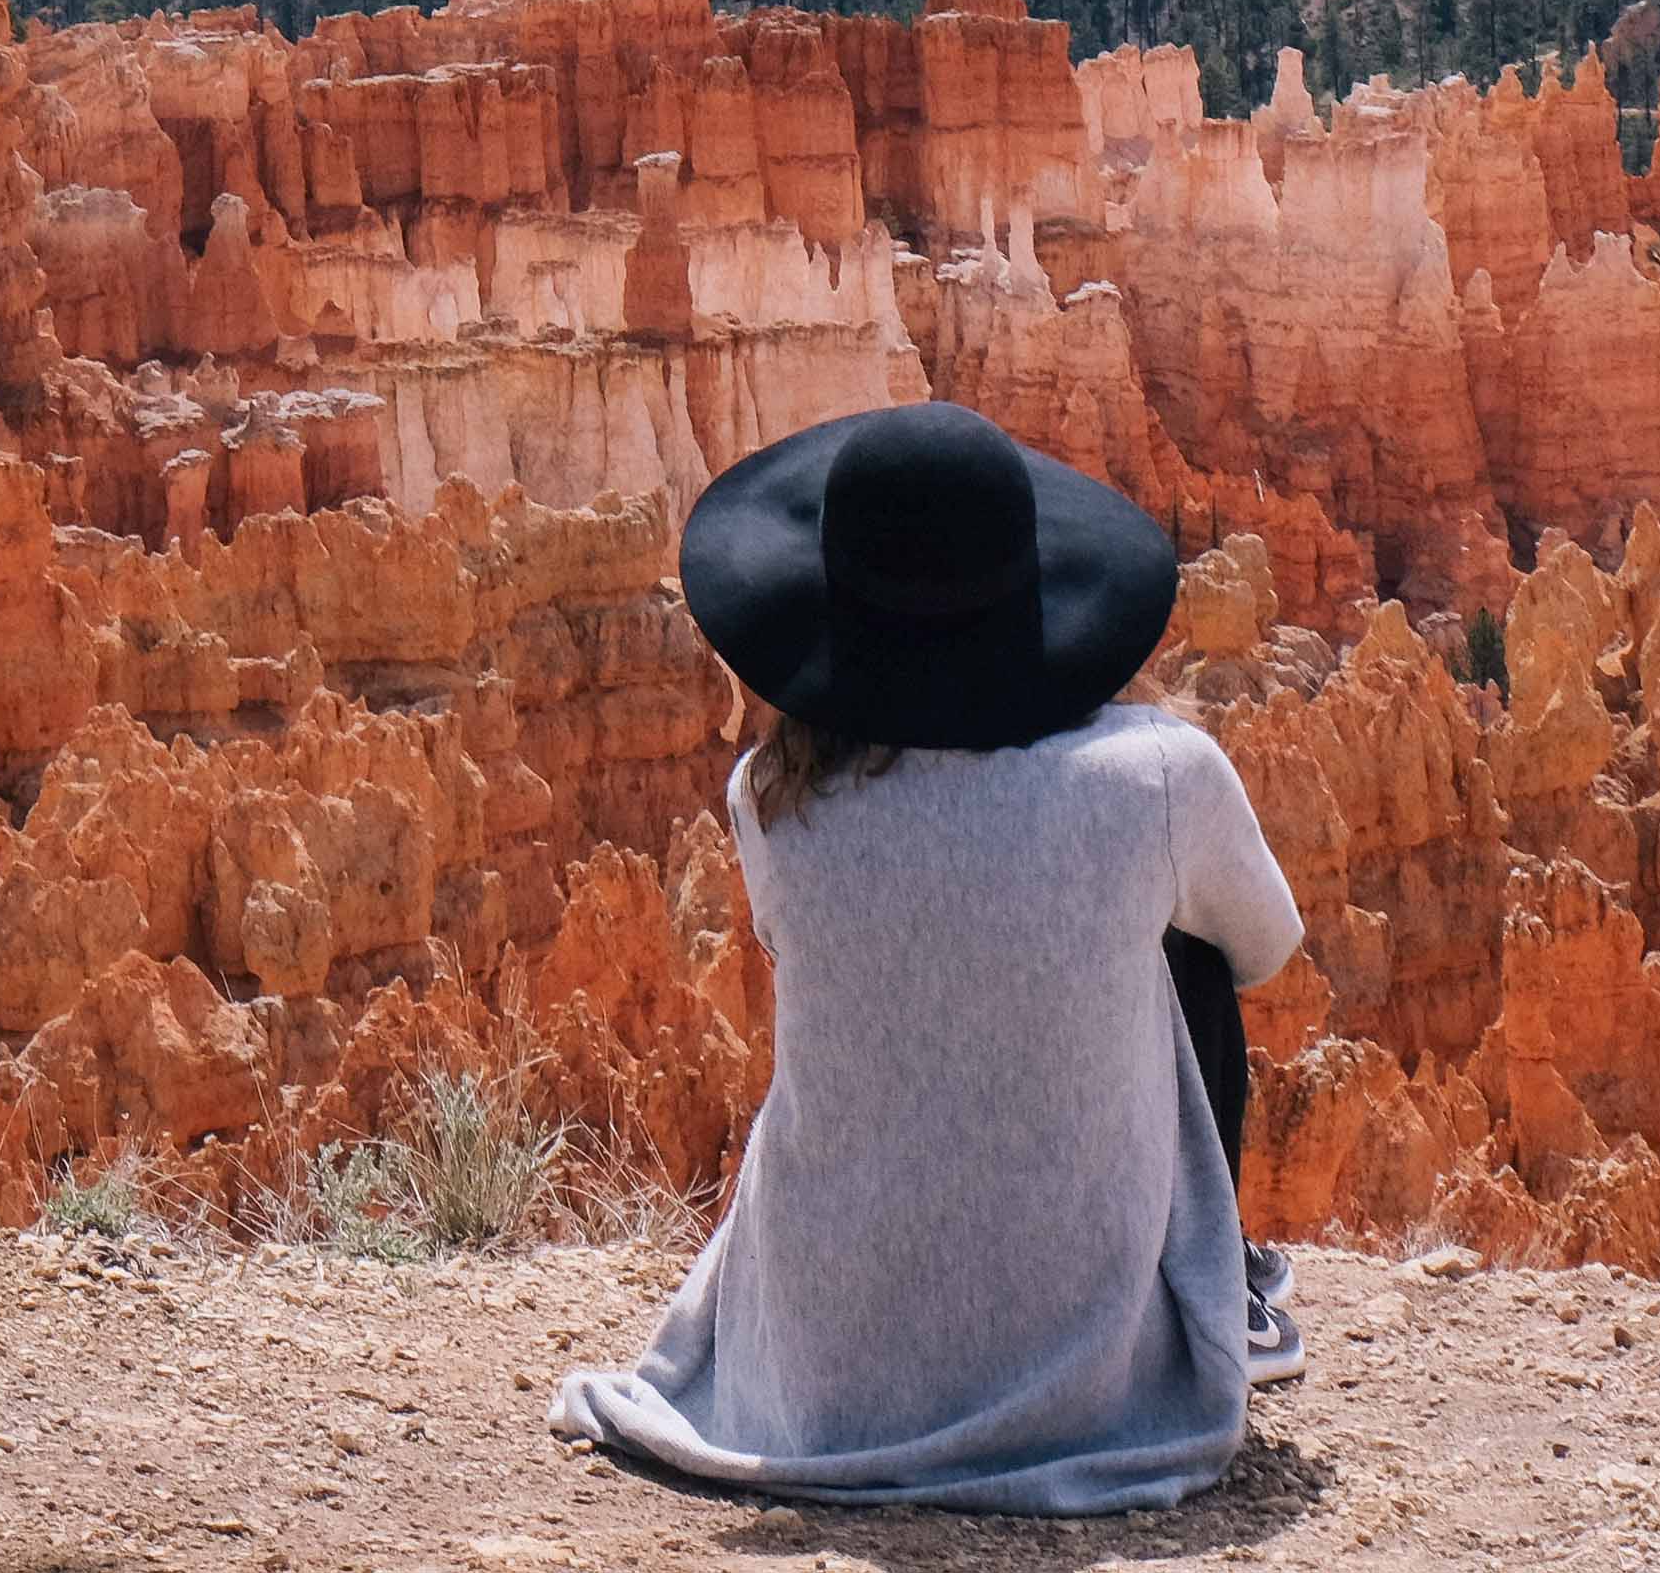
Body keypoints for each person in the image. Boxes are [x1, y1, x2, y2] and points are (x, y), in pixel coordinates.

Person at [552, 401, 1306, 1513]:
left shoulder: (769, 800)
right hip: (1091, 1384)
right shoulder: (1156, 774)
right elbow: (1263, 947)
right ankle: (1215, 1291)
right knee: (1183, 943)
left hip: (820, 1379)